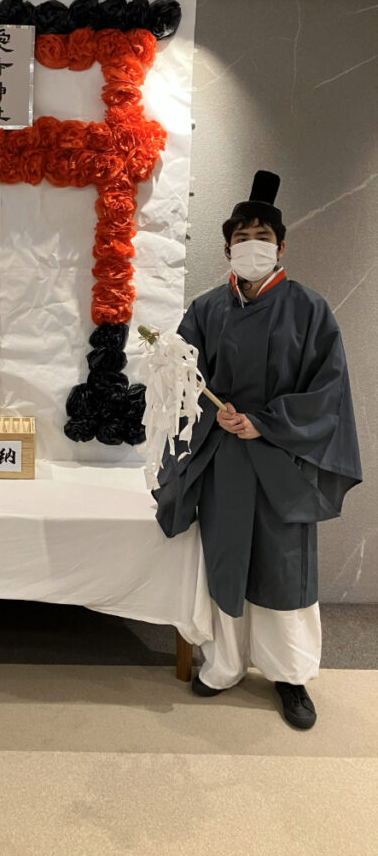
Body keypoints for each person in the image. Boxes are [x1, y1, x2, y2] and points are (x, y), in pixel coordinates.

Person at [154, 170, 361, 729]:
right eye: (242, 237)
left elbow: (328, 393)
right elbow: (183, 380)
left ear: (280, 246)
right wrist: (211, 413)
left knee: (282, 568)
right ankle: (224, 664)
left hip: (281, 463)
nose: (253, 246)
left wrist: (267, 424)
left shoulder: (309, 310)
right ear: (227, 248)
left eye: (262, 237)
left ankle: (290, 675)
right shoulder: (205, 309)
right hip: (224, 459)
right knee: (227, 560)